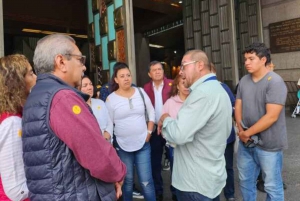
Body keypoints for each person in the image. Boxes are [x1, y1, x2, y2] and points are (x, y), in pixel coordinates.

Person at [22, 34, 126, 201]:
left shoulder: (38, 95)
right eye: (80, 59)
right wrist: (118, 172)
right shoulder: (62, 98)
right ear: (61, 62)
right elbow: (96, 154)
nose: (84, 67)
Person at [158, 50, 232, 201]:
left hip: (195, 182)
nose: (181, 71)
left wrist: (166, 119)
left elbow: (179, 134)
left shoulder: (201, 94)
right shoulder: (218, 89)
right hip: (209, 177)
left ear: (199, 65)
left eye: (184, 66)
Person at [235, 42, 287, 201]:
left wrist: (246, 133)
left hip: (269, 145)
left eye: (251, 59)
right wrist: (240, 128)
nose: (246, 63)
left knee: (272, 185)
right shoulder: (244, 80)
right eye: (245, 59)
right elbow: (238, 105)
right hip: (246, 144)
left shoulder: (275, 81)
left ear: (263, 59)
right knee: (245, 181)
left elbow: (271, 116)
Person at [105, 62, 156, 201]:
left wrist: (149, 133)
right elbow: (109, 124)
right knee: (126, 184)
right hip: (122, 146)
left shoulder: (140, 92)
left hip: (143, 144)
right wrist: (107, 143)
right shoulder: (111, 99)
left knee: (146, 182)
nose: (126, 78)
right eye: (122, 76)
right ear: (116, 79)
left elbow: (151, 112)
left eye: (128, 75)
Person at [0, 54, 36, 201]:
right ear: (18, 81)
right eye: (31, 73)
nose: (36, 77)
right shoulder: (12, 122)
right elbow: (16, 191)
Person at [143, 61, 173, 201]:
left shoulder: (172, 85)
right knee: (155, 162)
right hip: (154, 130)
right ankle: (158, 191)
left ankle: (176, 191)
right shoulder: (145, 88)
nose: (157, 72)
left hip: (170, 127)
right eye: (154, 70)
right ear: (149, 74)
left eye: (160, 69)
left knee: (174, 160)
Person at [160, 75, 189, 201]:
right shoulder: (170, 103)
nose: (186, 86)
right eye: (183, 83)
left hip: (193, 145)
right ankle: (177, 195)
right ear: (177, 86)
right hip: (175, 146)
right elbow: (163, 125)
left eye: (188, 83)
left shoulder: (196, 101)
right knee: (177, 173)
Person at [210, 63, 236, 201]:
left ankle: (230, 194)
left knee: (227, 167)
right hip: (209, 140)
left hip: (226, 137)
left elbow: (233, 107)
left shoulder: (223, 87)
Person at [80, 75, 113, 143]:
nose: (89, 87)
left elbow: (109, 122)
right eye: (85, 85)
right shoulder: (77, 107)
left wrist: (107, 135)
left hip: (106, 143)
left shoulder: (100, 103)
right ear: (78, 89)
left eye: (90, 84)